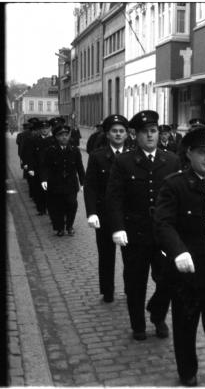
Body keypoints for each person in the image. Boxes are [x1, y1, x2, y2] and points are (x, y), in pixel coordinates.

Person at [154, 126, 205, 386]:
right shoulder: (175, 185)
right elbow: (163, 223)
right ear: (189, 153)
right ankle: (187, 371)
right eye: (203, 153)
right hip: (186, 273)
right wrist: (178, 251)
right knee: (185, 327)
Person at [106, 110, 180, 341]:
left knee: (169, 278)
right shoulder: (124, 162)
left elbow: (178, 197)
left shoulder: (171, 160)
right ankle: (138, 324)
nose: (150, 136)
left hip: (163, 233)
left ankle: (157, 314)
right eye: (145, 132)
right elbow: (114, 197)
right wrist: (118, 228)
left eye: (154, 131)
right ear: (134, 135)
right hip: (135, 233)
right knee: (135, 281)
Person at [84, 115, 131, 303]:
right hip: (104, 214)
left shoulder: (133, 155)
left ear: (127, 134)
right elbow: (90, 187)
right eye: (114, 131)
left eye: (121, 131)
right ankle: (108, 290)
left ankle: (131, 288)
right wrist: (92, 212)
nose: (118, 134)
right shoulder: (98, 156)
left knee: (131, 257)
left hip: (128, 215)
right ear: (107, 134)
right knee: (106, 255)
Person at [40, 123, 85, 236]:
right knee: (57, 206)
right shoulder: (50, 150)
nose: (64, 137)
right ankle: (60, 228)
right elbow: (45, 167)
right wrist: (44, 180)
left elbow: (80, 167)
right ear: (56, 137)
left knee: (72, 204)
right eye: (61, 135)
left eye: (66, 135)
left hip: (71, 184)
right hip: (55, 184)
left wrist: (83, 183)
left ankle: (69, 226)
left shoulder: (75, 150)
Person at [25, 120, 55, 215]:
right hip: (38, 169)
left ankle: (51, 209)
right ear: (40, 130)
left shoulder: (54, 140)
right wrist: (30, 168)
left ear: (50, 128)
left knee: (51, 191)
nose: (45, 130)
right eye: (43, 129)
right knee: (39, 190)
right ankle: (41, 209)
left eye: (46, 128)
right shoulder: (34, 140)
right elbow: (30, 155)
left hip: (51, 170)